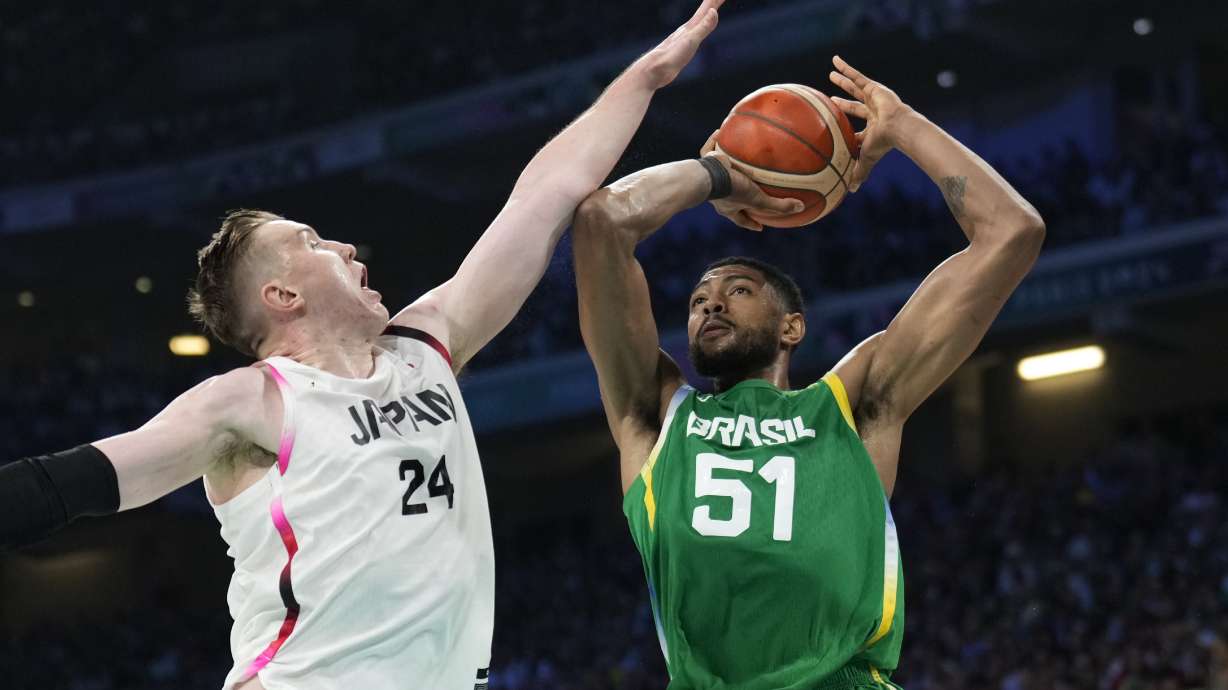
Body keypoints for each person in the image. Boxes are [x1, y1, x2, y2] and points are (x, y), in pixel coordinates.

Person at [0, 2, 726, 688]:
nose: (345, 245)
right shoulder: (248, 402)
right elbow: (70, 483)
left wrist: (645, 77)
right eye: (311, 243)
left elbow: (545, 194)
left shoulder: (427, 344)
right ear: (281, 298)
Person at [571, 56, 1045, 689]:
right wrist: (719, 174)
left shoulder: (854, 404)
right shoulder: (655, 415)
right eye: (697, 300)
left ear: (792, 327)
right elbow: (603, 221)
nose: (710, 303)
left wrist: (902, 126)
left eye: (737, 290)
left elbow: (1011, 231)